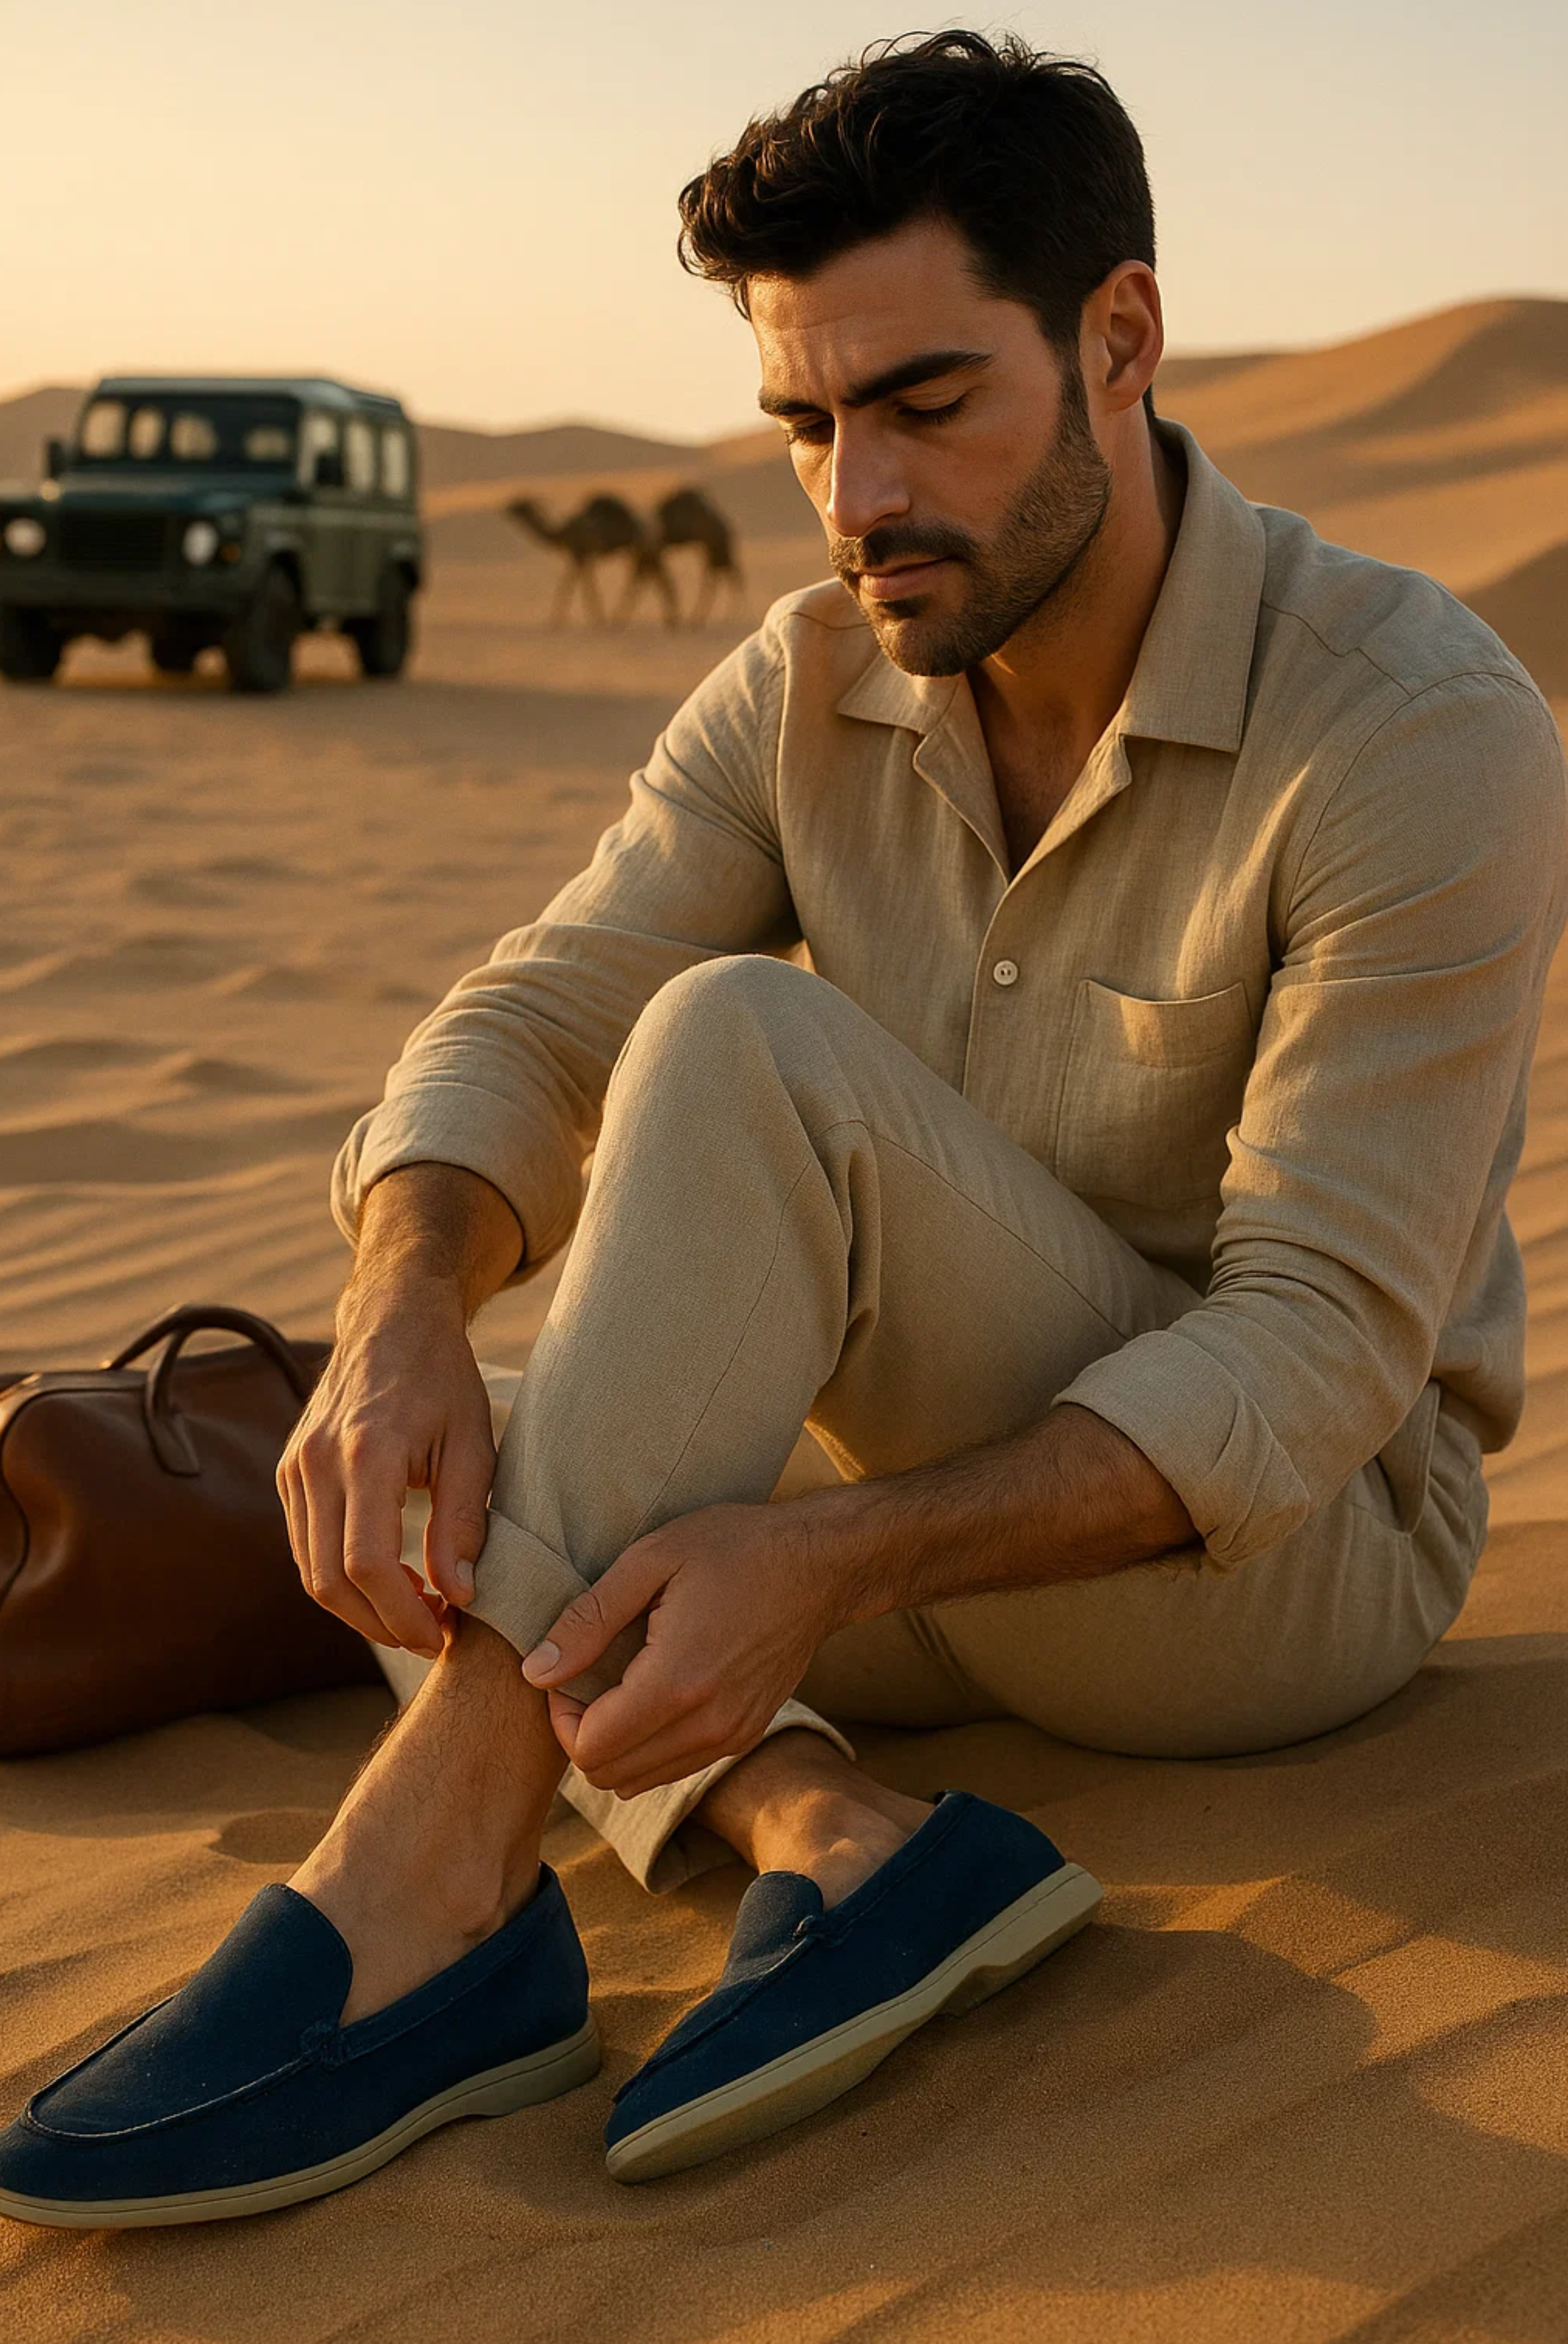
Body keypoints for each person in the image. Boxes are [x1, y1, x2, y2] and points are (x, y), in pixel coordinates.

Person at [4, 31, 1564, 2229]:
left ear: (1119, 341)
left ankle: (429, 1896)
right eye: (808, 425)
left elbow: (1312, 1354)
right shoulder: (808, 675)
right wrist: (403, 1305)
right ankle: (844, 1841)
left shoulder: (1413, 727)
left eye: (928, 405)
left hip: (1273, 1577)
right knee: (454, 1471)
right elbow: (544, 1002)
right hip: (919, 1544)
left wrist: (834, 1554)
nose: (860, 499)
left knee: (743, 1047)